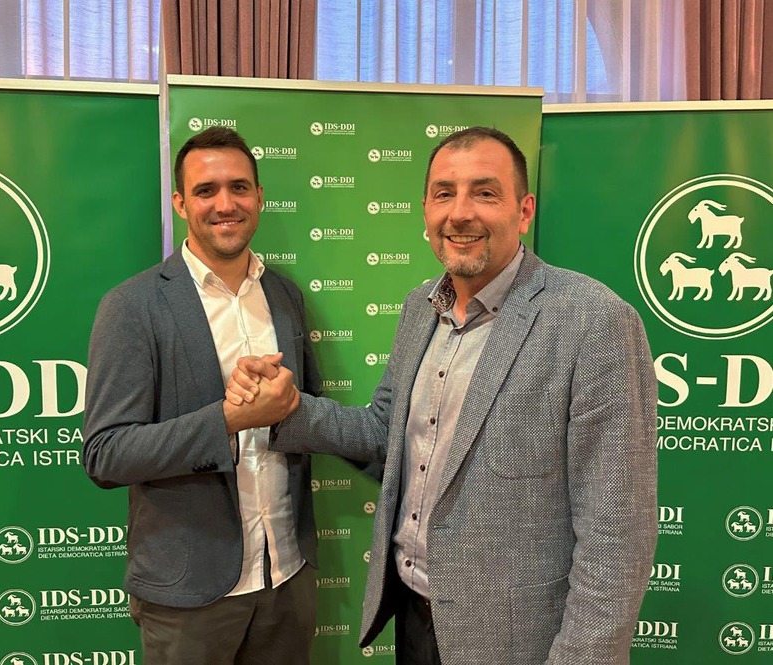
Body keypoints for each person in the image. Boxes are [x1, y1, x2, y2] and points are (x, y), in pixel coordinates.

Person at [224, 126, 658, 664]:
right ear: (426, 210)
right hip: (414, 616)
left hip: (517, 640)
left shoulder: (595, 321)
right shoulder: (420, 307)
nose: (460, 213)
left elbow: (618, 532)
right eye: (444, 194)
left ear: (524, 211)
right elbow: (384, 433)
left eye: (485, 192)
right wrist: (291, 408)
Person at [83, 126, 321, 664]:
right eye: (206, 190)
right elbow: (106, 453)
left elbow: (308, 410)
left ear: (260, 197)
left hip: (286, 576)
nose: (225, 204)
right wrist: (228, 419)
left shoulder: (284, 295)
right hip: (188, 593)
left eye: (239, 188)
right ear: (180, 203)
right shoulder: (133, 306)